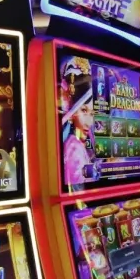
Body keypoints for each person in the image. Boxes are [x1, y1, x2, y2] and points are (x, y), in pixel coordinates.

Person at [61, 57, 95, 188]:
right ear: (72, 110)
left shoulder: (77, 143)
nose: (89, 122)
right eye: (84, 111)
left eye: (92, 114)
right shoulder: (74, 148)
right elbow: (81, 194)